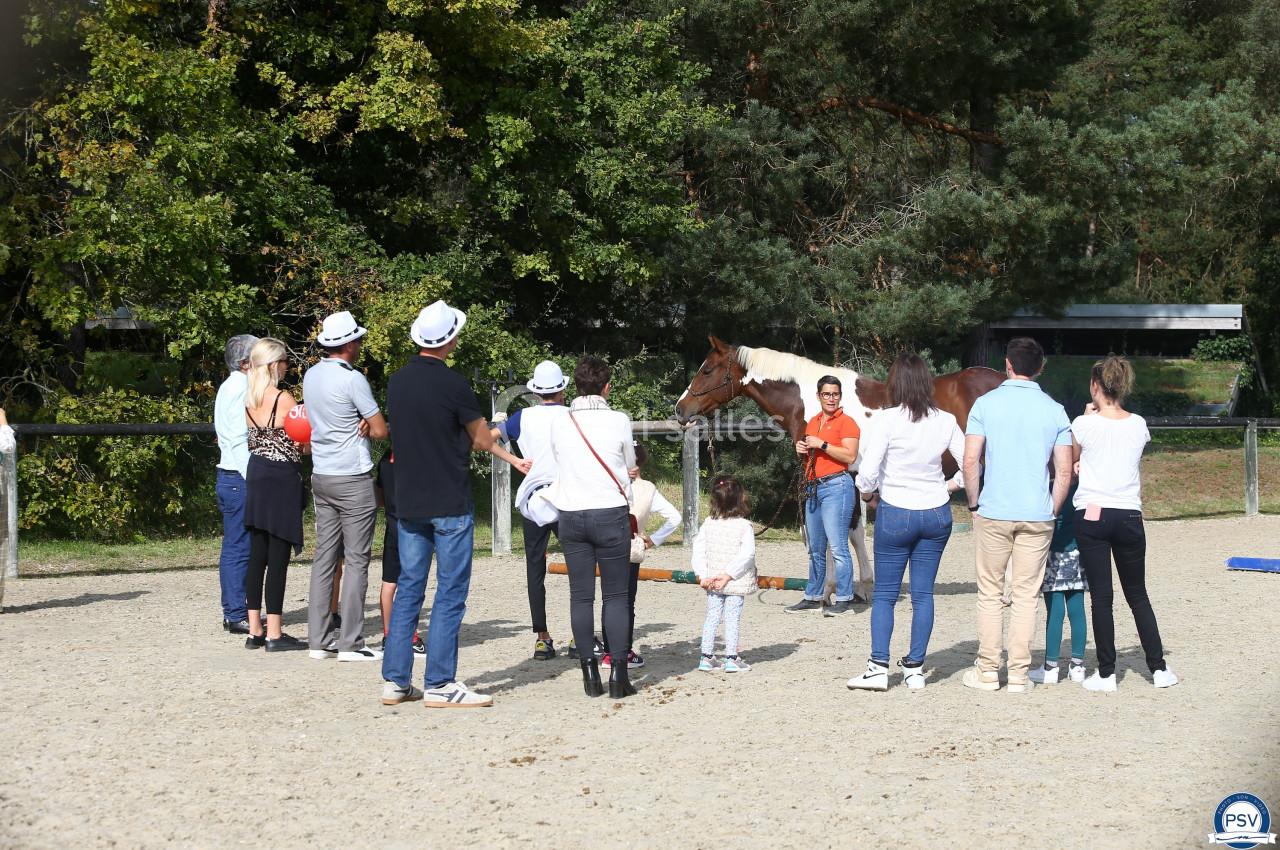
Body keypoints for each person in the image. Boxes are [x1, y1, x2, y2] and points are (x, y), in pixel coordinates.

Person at [380, 300, 524, 708]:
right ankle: (441, 683)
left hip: (408, 499)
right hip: (448, 499)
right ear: (450, 340)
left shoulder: (397, 382)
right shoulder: (455, 384)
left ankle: (395, 680)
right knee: (450, 591)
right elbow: (480, 440)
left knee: (410, 587)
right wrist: (499, 428)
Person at [846, 353, 966, 692]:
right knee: (923, 594)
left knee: (884, 594)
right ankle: (914, 667)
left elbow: (867, 474)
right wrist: (951, 485)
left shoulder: (885, 421)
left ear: (895, 383)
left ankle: (878, 667)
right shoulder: (945, 420)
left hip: (896, 510)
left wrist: (868, 495)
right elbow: (970, 465)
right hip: (936, 512)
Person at [962, 337, 1073, 693]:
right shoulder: (1055, 410)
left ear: (1007, 364)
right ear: (1040, 367)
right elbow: (1065, 471)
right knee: (1026, 595)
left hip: (994, 509)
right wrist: (1052, 508)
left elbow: (970, 462)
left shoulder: (985, 404)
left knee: (990, 593)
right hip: (1037, 513)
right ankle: (1020, 675)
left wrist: (974, 503)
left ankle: (989, 669)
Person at [1072, 356, 1178, 692]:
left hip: (1093, 513)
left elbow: (1074, 459)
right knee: (1138, 594)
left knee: (1101, 597)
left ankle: (1106, 674)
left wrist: (1089, 417)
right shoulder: (1138, 424)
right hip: (1129, 514)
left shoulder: (1082, 423)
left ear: (1095, 386)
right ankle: (1158, 668)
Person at [544, 355, 638, 699]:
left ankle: (589, 672)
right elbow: (629, 462)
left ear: (575, 387)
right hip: (610, 512)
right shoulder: (618, 420)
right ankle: (618, 675)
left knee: (580, 596)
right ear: (606, 387)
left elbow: (557, 458)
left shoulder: (561, 422)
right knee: (616, 595)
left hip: (571, 512)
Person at [303, 310, 390, 662]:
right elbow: (381, 428)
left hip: (321, 473)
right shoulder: (353, 379)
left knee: (325, 558)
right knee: (356, 560)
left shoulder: (310, 375)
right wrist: (367, 426)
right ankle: (351, 641)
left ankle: (318, 639)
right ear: (350, 344)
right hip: (352, 476)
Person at [493, 360, 569, 661]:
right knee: (581, 568)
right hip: (568, 497)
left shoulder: (521, 417)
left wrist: (514, 461)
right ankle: (581, 635)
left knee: (534, 568)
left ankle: (542, 637)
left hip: (534, 499)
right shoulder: (573, 415)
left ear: (536, 392)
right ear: (562, 390)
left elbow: (483, 439)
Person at [241, 338, 307, 652]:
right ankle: (275, 632)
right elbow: (301, 441)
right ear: (272, 365)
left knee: (258, 555)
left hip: (256, 473)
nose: (286, 367)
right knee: (278, 556)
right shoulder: (283, 398)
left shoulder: (249, 399)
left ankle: (255, 628)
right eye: (283, 362)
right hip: (281, 477)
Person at [601, 442, 681, 671]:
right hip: (631, 548)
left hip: (604, 547)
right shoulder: (648, 488)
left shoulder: (604, 484)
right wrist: (653, 539)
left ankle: (608, 653)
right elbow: (674, 518)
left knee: (609, 599)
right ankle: (623, 650)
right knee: (626, 601)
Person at [787, 375, 861, 615]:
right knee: (815, 548)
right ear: (818, 396)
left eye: (835, 394)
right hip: (813, 487)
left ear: (840, 396)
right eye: (827, 394)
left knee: (838, 546)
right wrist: (802, 450)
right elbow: (812, 456)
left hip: (837, 486)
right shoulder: (813, 422)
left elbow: (850, 456)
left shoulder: (848, 423)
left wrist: (823, 445)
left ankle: (845, 598)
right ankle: (814, 596)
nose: (831, 398)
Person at [213, 334, 258, 635]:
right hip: (238, 476)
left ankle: (236, 610)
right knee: (239, 547)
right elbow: (239, 439)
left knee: (237, 546)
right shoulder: (241, 387)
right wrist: (251, 476)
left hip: (230, 476)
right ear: (244, 363)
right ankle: (236, 612)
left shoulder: (229, 386)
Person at [693, 475, 757, 673]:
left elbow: (699, 549)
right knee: (732, 617)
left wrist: (702, 575)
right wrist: (729, 575)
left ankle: (706, 656)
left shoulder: (708, 523)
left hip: (712, 581)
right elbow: (748, 554)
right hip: (733, 582)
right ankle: (731, 657)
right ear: (740, 499)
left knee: (711, 616)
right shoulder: (744, 526)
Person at [1028, 477, 1088, 685]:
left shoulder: (1049, 486)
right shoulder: (1082, 487)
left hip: (1053, 552)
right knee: (1077, 609)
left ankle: (1051, 666)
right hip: (1077, 551)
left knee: (1055, 612)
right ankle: (1078, 665)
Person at [375, 451, 425, 655]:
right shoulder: (416, 458)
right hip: (412, 529)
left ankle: (388, 635)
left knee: (389, 584)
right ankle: (410, 637)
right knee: (411, 584)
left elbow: (379, 498)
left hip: (391, 527)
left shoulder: (385, 460)